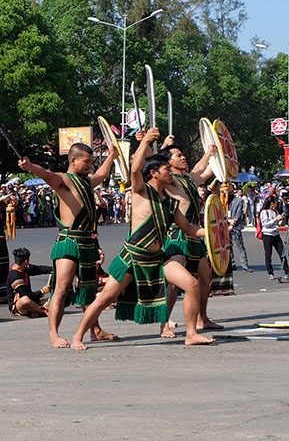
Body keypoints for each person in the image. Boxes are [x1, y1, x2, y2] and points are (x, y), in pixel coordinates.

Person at [71, 128, 211, 349]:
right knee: (105, 298)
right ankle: (78, 336)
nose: (171, 173)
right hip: (133, 257)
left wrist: (214, 231)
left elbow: (190, 228)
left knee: (192, 284)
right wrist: (145, 140)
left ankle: (191, 333)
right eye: (166, 169)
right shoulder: (141, 191)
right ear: (154, 172)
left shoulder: (170, 203)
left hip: (157, 259)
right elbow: (135, 167)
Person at [18, 141, 119, 348]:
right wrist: (30, 166)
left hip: (87, 242)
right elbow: (46, 174)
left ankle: (96, 330)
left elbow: (100, 176)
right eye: (87, 161)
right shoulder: (63, 180)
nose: (90, 165)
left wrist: (111, 157)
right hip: (69, 241)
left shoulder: (85, 182)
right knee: (62, 288)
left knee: (89, 291)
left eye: (91, 162)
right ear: (73, 160)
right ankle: (53, 334)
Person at [157, 136, 222, 338]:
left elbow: (201, 168)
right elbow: (153, 161)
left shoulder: (188, 179)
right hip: (178, 236)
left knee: (206, 278)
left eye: (183, 155)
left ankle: (202, 318)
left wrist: (211, 153)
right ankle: (164, 324)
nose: (183, 157)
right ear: (169, 163)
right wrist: (162, 146)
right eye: (178, 156)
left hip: (195, 236)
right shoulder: (169, 181)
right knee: (175, 284)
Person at [7, 247, 52, 318]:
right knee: (25, 300)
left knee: (54, 300)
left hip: (33, 301)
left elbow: (39, 269)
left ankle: (34, 311)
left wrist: (53, 269)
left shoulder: (24, 268)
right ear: (26, 261)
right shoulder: (15, 276)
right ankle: (42, 312)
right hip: (19, 305)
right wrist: (42, 292)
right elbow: (26, 295)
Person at [258, 196, 289, 280]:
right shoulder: (264, 212)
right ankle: (270, 272)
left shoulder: (275, 211)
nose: (276, 203)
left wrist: (282, 220)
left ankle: (287, 271)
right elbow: (266, 224)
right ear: (271, 203)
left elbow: (278, 224)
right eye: (275, 202)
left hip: (276, 234)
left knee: (282, 253)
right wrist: (275, 219)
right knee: (268, 254)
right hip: (268, 235)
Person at [228, 188, 251, 272]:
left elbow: (239, 213)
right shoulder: (221, 200)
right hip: (225, 226)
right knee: (228, 247)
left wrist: (232, 222)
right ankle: (232, 263)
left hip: (235, 226)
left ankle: (244, 265)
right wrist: (227, 220)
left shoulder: (238, 200)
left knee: (240, 246)